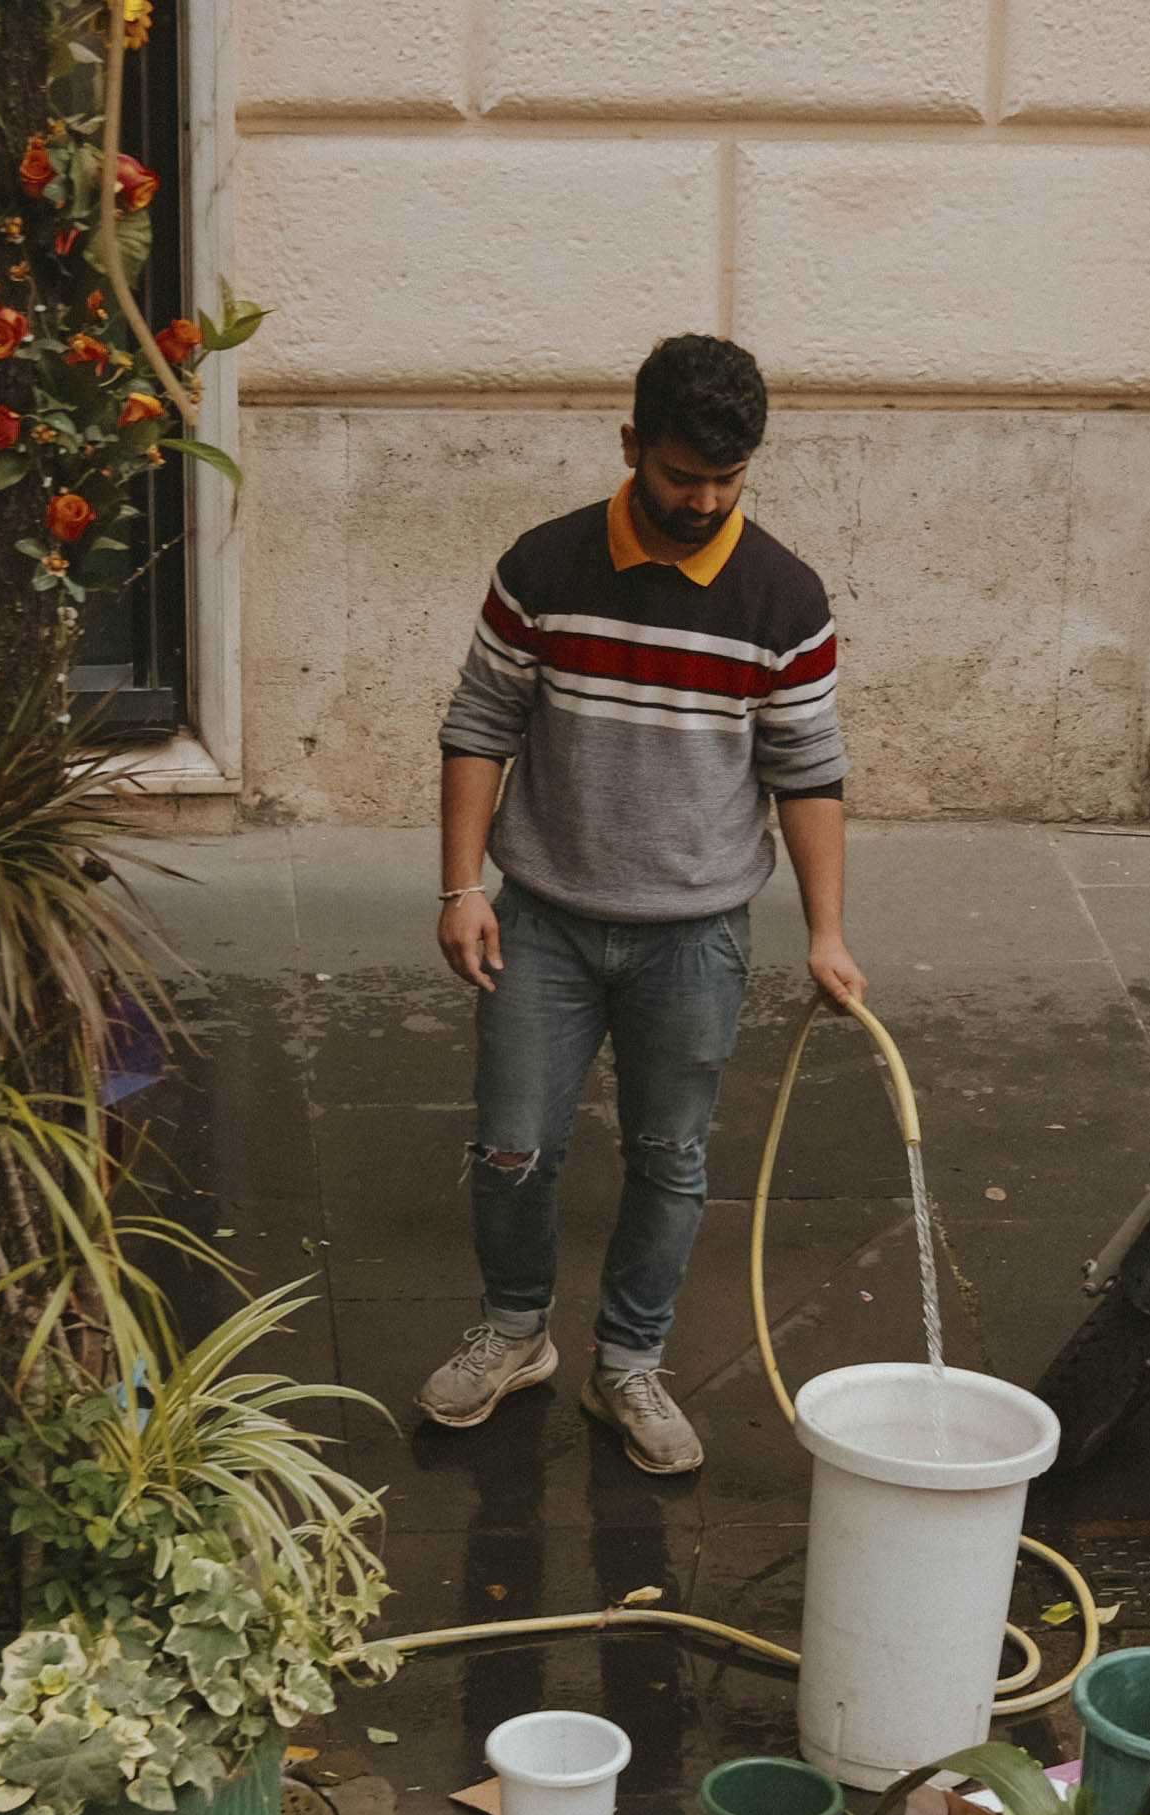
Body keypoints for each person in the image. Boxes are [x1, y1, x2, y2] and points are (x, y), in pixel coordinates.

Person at [416, 334, 863, 1476]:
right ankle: (516, 1333)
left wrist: (825, 932)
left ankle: (628, 1362)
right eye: (680, 479)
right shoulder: (542, 567)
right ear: (630, 447)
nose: (702, 502)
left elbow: (807, 771)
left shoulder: (783, 597)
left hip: (697, 936)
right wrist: (463, 887)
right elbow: (479, 726)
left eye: (726, 481)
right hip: (543, 920)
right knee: (514, 1146)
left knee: (671, 1158)